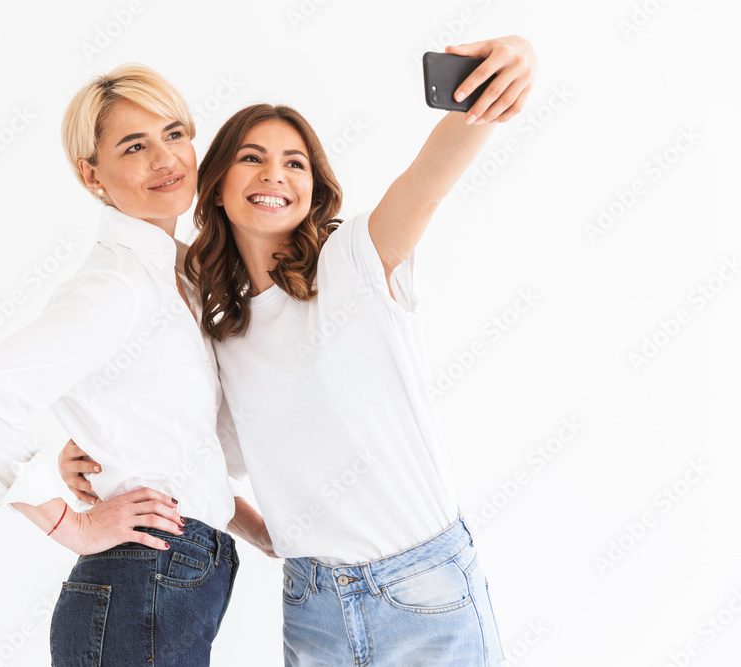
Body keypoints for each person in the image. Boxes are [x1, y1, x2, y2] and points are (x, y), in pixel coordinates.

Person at [61, 37, 535, 665]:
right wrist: (97, 450)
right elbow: (194, 455)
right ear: (218, 182)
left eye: (295, 163)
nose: (275, 175)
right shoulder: (223, 335)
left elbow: (425, 183)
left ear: (314, 187)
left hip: (422, 593)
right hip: (312, 607)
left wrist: (500, 78)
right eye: (253, 158)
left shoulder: (358, 262)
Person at [0, 63, 271, 667]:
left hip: (170, 581)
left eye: (174, 133)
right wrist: (74, 526)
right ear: (92, 175)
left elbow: (173, 449)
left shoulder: (179, 279)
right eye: (134, 146)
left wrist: (257, 530)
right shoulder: (120, 286)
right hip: (142, 585)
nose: (166, 159)